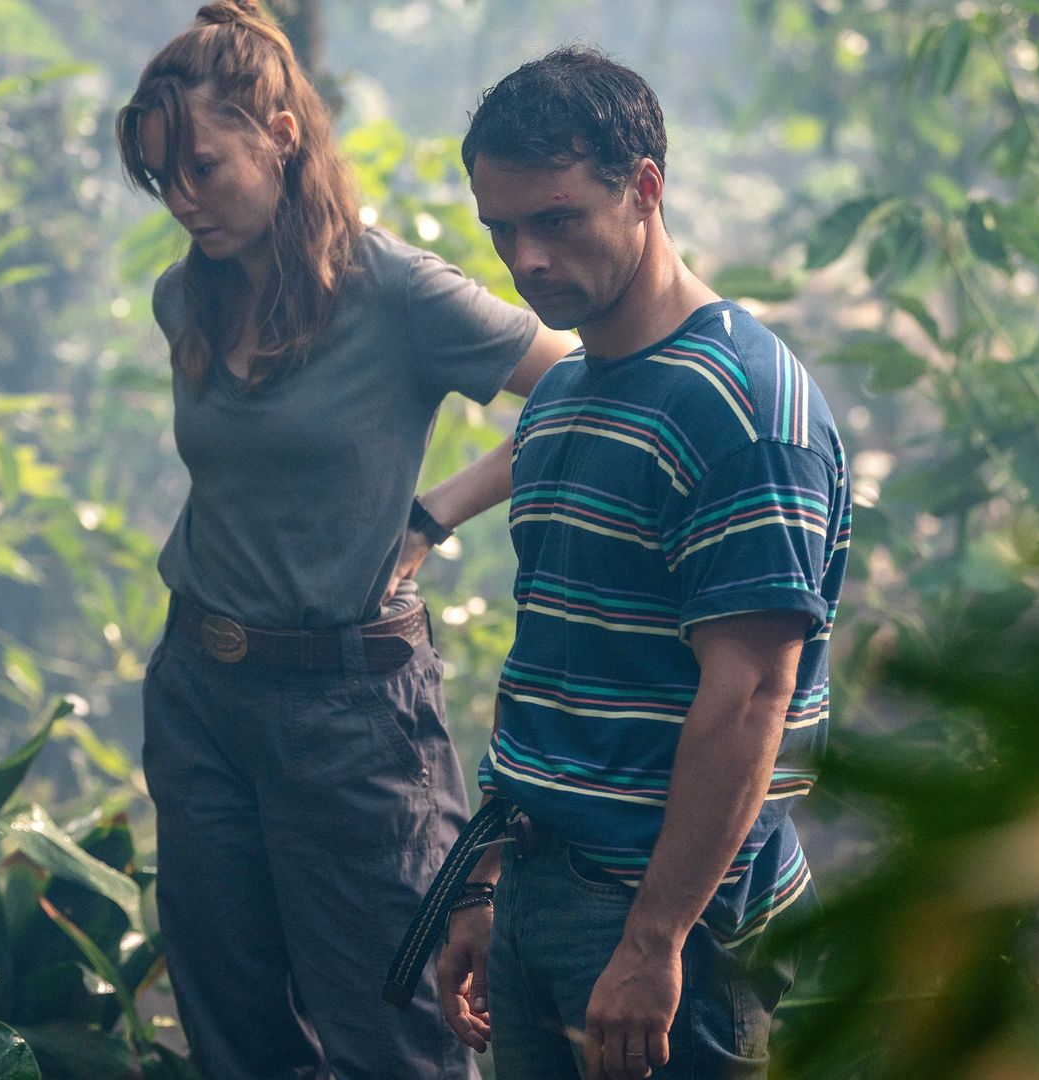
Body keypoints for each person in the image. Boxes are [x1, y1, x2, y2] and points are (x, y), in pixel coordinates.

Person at [113, 4, 577, 1077]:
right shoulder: (184, 295)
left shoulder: (394, 291)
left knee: (391, 1030)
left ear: (280, 132)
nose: (183, 200)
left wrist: (435, 513)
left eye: (203, 167)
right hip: (200, 695)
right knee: (231, 1029)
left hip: (350, 712)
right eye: (159, 178)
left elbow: (580, 382)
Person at [433, 47, 851, 1080]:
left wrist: (656, 940)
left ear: (645, 188)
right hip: (544, 890)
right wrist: (485, 885)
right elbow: (550, 662)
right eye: (503, 228)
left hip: (665, 918)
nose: (525, 258)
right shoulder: (567, 395)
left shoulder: (740, 406)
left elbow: (753, 693)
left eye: (557, 218)